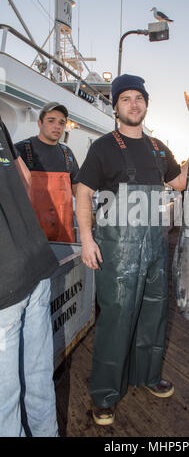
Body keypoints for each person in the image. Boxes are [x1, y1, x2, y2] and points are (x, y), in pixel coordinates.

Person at [75, 74, 189, 426]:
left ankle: (148, 376)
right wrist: (87, 239)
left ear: (146, 105)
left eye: (139, 98)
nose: (134, 103)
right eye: (126, 99)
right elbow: (84, 193)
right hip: (117, 251)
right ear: (116, 106)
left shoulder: (157, 147)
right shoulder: (103, 147)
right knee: (117, 321)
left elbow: (180, 182)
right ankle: (105, 394)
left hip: (154, 247)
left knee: (154, 316)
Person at [0, 116, 59, 437]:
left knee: (3, 405)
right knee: (38, 378)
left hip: (4, 287)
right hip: (34, 263)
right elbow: (24, 178)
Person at [15, 102, 79, 243]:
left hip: (64, 237)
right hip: (31, 237)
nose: (57, 126)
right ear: (39, 123)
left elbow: (78, 192)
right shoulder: (20, 151)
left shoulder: (67, 154)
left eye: (62, 123)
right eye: (51, 121)